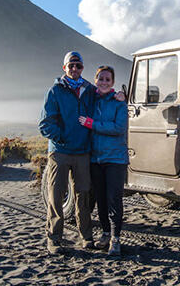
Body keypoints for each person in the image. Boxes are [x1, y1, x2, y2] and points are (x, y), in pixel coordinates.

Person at [38, 51, 96, 254]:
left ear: (82, 68)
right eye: (71, 65)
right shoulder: (55, 91)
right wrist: (62, 137)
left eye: (78, 65)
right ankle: (54, 239)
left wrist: (118, 96)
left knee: (84, 196)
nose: (74, 69)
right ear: (64, 68)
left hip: (82, 152)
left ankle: (86, 237)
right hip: (61, 151)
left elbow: (104, 102)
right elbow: (45, 125)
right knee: (56, 195)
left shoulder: (89, 90)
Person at [78, 65, 129, 257]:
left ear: (113, 82)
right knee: (100, 199)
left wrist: (93, 124)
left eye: (108, 79)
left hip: (115, 159)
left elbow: (118, 128)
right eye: (101, 79)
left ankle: (116, 239)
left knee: (114, 199)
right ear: (96, 80)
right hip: (95, 159)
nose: (104, 82)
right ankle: (106, 233)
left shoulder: (119, 103)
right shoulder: (91, 100)